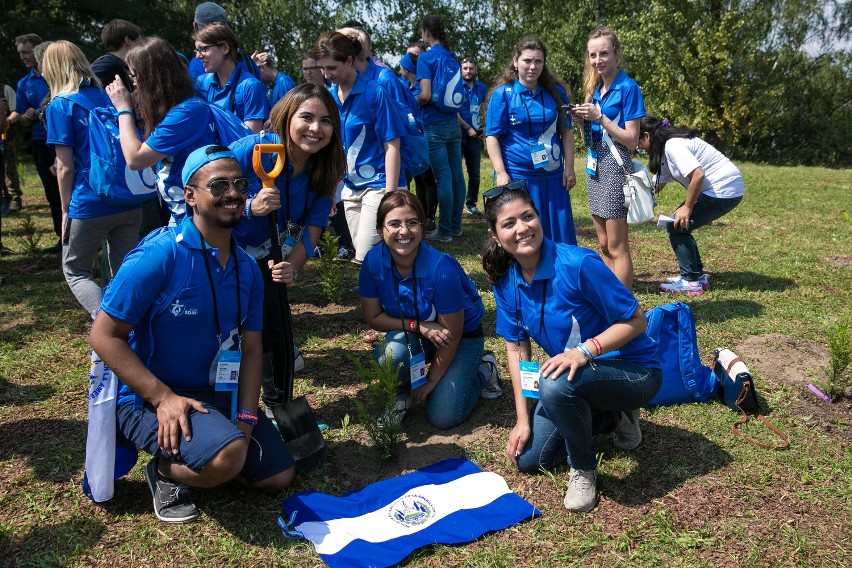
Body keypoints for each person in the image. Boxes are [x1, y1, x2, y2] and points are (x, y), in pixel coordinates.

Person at [89, 145, 295, 524]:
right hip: (150, 398)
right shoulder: (159, 255)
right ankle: (164, 472)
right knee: (229, 457)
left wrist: (247, 418)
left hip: (218, 392)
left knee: (278, 475)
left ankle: (215, 454)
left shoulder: (247, 268)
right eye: (218, 185)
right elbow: (104, 337)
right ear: (189, 196)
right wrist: (162, 397)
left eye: (239, 184)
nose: (232, 194)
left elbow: (251, 350)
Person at [481, 185, 661, 512]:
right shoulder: (505, 279)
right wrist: (522, 419)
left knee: (554, 384)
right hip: (577, 376)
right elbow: (517, 351)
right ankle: (614, 418)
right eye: (509, 224)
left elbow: (636, 321)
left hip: (636, 371)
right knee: (531, 459)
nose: (522, 228)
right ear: (495, 235)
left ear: (539, 218)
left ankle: (584, 469)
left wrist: (585, 351)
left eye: (528, 216)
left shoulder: (578, 264)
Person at [229, 84, 345, 407]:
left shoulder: (324, 170)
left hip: (267, 255)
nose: (315, 128)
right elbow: (207, 198)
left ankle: (277, 404)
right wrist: (250, 206)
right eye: (306, 117)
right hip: (224, 254)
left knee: (275, 334)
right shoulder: (251, 150)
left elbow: (312, 231)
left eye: (325, 121)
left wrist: (291, 267)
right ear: (286, 116)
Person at [358, 191, 501, 429]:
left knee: (443, 416)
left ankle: (485, 368)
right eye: (394, 223)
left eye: (412, 222)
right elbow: (374, 317)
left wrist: (432, 381)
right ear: (380, 228)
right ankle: (402, 394)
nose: (403, 231)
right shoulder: (373, 262)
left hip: (460, 338)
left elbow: (452, 335)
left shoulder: (441, 268)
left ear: (422, 228)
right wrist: (419, 326)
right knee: (390, 353)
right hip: (420, 334)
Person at [42, 41, 143, 319]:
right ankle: (132, 330)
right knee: (126, 272)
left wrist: (64, 210)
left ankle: (107, 328)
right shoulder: (109, 95)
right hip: (128, 197)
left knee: (75, 271)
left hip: (89, 203)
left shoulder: (60, 105)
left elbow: (64, 167)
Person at [105, 36, 221, 226]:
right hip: (185, 215)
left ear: (152, 77)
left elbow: (136, 159)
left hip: (194, 220)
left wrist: (123, 110)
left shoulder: (187, 112)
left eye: (134, 76)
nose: (133, 84)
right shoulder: (181, 107)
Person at [313, 31, 406, 264]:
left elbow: (393, 144)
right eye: (322, 68)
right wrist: (331, 191)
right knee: (370, 256)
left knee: (365, 255)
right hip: (350, 188)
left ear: (350, 60)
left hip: (378, 185)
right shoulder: (330, 98)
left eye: (332, 68)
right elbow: (335, 149)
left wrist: (390, 195)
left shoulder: (376, 92)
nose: (326, 74)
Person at [571, 27, 646, 288]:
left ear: (616, 54)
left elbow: (632, 140)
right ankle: (614, 292)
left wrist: (599, 118)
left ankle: (622, 303)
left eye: (604, 53)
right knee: (603, 243)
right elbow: (589, 139)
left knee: (617, 243)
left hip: (615, 168)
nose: (597, 60)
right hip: (595, 167)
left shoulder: (628, 88)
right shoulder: (594, 89)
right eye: (593, 55)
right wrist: (581, 122)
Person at [485, 36, 577, 245]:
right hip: (518, 178)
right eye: (527, 60)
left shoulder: (555, 92)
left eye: (538, 61)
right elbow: (492, 137)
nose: (533, 66)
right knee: (523, 238)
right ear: (516, 62)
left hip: (553, 178)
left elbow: (567, 131)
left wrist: (569, 168)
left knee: (558, 236)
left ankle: (558, 277)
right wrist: (501, 173)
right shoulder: (503, 95)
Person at [639, 116, 745, 295]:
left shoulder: (674, 146)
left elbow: (698, 175)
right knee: (679, 225)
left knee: (677, 225)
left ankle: (690, 281)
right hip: (724, 189)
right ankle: (697, 276)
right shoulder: (665, 150)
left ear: (647, 136)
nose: (638, 147)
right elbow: (656, 185)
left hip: (724, 189)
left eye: (638, 141)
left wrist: (687, 208)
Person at [416, 15, 466, 243]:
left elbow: (425, 96)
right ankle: (455, 227)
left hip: (433, 124)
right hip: (452, 123)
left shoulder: (425, 58)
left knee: (443, 178)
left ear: (426, 32)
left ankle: (444, 231)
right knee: (457, 176)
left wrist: (409, 99)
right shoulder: (452, 57)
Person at [9, 34, 62, 249]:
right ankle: (62, 238)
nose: (23, 57)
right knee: (52, 193)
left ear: (39, 51)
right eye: (20, 52)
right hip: (41, 142)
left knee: (70, 189)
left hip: (64, 140)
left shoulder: (57, 76)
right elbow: (20, 118)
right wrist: (26, 117)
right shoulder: (24, 83)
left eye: (26, 52)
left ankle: (84, 238)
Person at [194, 23, 269, 133]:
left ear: (225, 48)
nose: (198, 56)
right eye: (197, 50)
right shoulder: (201, 84)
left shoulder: (250, 87)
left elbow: (251, 140)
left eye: (203, 49)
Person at [457, 57, 487, 217]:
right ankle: (456, 204)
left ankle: (471, 203)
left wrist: (485, 126)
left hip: (475, 136)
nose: (468, 71)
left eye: (471, 68)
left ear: (475, 69)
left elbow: (488, 107)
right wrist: (467, 127)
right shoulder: (455, 86)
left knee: (474, 172)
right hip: (457, 135)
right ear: (460, 70)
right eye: (465, 68)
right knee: (456, 173)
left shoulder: (481, 87)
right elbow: (452, 111)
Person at [90, 19, 143, 92]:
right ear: (127, 40)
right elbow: (82, 82)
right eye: (140, 42)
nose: (142, 47)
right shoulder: (108, 64)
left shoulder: (118, 64)